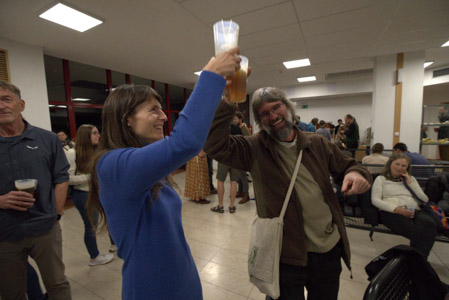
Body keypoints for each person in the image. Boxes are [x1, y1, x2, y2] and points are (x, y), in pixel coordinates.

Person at [86, 48, 240, 299]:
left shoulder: (146, 163)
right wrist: (210, 75)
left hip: (181, 276)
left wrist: (225, 100)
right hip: (152, 285)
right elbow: (185, 142)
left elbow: (199, 140)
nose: (163, 118)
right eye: (153, 110)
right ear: (126, 119)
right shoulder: (113, 165)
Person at [204, 86, 371, 300]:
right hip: (285, 256)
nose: (273, 116)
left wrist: (356, 173)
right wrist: (227, 105)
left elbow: (350, 166)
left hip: (327, 251)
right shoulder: (254, 148)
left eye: (277, 107)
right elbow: (214, 146)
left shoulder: (317, 143)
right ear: (259, 120)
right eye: (265, 114)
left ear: (288, 107)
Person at [0, 80, 72, 299]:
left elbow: (61, 176)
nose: (1, 106)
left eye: (6, 99)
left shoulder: (47, 139)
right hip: (4, 232)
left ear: (21, 104)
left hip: (44, 228)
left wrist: (57, 212)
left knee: (57, 284)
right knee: (11, 292)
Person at [65, 124, 115, 266]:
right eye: (94, 133)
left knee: (110, 218)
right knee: (90, 226)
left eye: (98, 132)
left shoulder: (97, 151)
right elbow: (68, 179)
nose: (98, 135)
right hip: (83, 195)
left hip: (100, 192)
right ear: (85, 136)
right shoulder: (72, 153)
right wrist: (91, 176)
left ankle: (114, 244)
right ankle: (94, 257)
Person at [371, 153, 437, 258]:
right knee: (418, 232)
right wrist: (396, 209)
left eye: (403, 166)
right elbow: (375, 200)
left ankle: (416, 260)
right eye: (397, 164)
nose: (399, 168)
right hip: (391, 211)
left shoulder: (411, 179)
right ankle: (419, 261)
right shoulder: (381, 179)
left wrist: (410, 183)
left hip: (414, 210)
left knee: (429, 224)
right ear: (390, 164)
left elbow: (424, 199)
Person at [211, 118, 242, 213]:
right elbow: (241, 144)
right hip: (235, 157)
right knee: (234, 182)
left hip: (223, 158)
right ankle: (232, 206)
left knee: (220, 181)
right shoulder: (237, 129)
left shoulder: (220, 130)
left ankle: (220, 206)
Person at [234, 112, 250, 204]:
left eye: (236, 119)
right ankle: (240, 191)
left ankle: (246, 194)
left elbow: (248, 141)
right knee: (238, 175)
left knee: (243, 176)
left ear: (240, 120)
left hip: (242, 155)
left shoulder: (244, 128)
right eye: (234, 119)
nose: (234, 120)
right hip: (237, 155)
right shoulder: (236, 128)